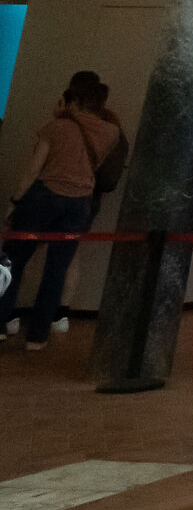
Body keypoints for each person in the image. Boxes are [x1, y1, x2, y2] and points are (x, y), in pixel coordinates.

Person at [0, 73, 124, 351]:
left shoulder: (56, 127)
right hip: (80, 202)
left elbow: (34, 169)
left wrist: (14, 201)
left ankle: (1, 324)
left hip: (44, 197)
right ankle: (38, 336)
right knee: (56, 270)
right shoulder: (110, 132)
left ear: (75, 101)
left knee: (12, 262)